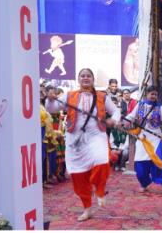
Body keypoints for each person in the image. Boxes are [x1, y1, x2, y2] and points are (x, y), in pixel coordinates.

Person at [44, 68, 121, 221]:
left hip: (96, 135)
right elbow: (51, 108)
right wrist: (50, 99)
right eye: (82, 76)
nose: (85, 78)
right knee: (78, 175)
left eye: (88, 76)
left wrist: (114, 120)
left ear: (93, 79)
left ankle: (99, 189)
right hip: (75, 139)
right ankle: (87, 209)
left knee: (102, 161)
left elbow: (116, 111)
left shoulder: (102, 96)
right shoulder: (69, 95)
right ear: (78, 79)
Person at [124, 85, 162, 194]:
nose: (154, 96)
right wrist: (124, 121)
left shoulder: (160, 107)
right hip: (142, 139)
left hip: (155, 139)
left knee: (158, 161)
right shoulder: (139, 105)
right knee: (140, 164)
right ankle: (144, 184)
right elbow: (131, 116)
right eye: (152, 94)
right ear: (147, 94)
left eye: (155, 94)